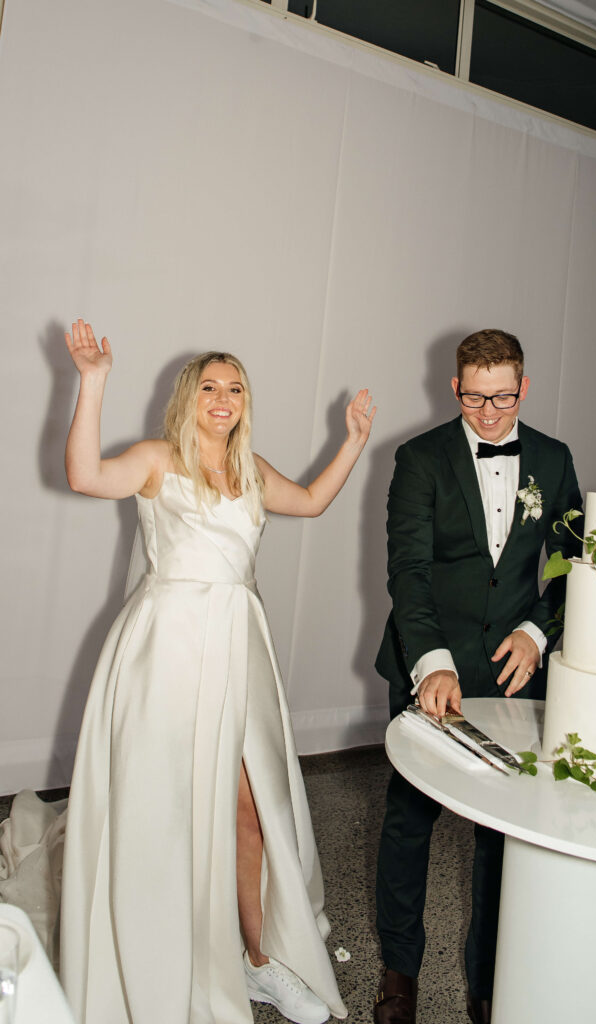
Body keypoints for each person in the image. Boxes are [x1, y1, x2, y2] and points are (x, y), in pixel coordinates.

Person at [57, 320, 376, 1024]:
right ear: (188, 397)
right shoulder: (155, 459)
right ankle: (155, 957)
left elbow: (314, 501)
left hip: (238, 647)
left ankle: (258, 964)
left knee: (248, 811)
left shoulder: (254, 470)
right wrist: (93, 381)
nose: (223, 397)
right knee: (160, 811)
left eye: (235, 387)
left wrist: (352, 440)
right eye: (210, 386)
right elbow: (84, 475)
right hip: (163, 650)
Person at [373, 329, 582, 1024]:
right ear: (454, 387)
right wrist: (431, 663)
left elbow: (569, 565)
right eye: (472, 397)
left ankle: (488, 981)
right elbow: (409, 571)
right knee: (410, 821)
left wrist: (536, 631)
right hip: (431, 661)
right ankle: (398, 972)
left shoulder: (552, 461)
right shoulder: (419, 458)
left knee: (501, 833)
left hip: (514, 670)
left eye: (499, 397)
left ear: (522, 387)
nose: (486, 413)